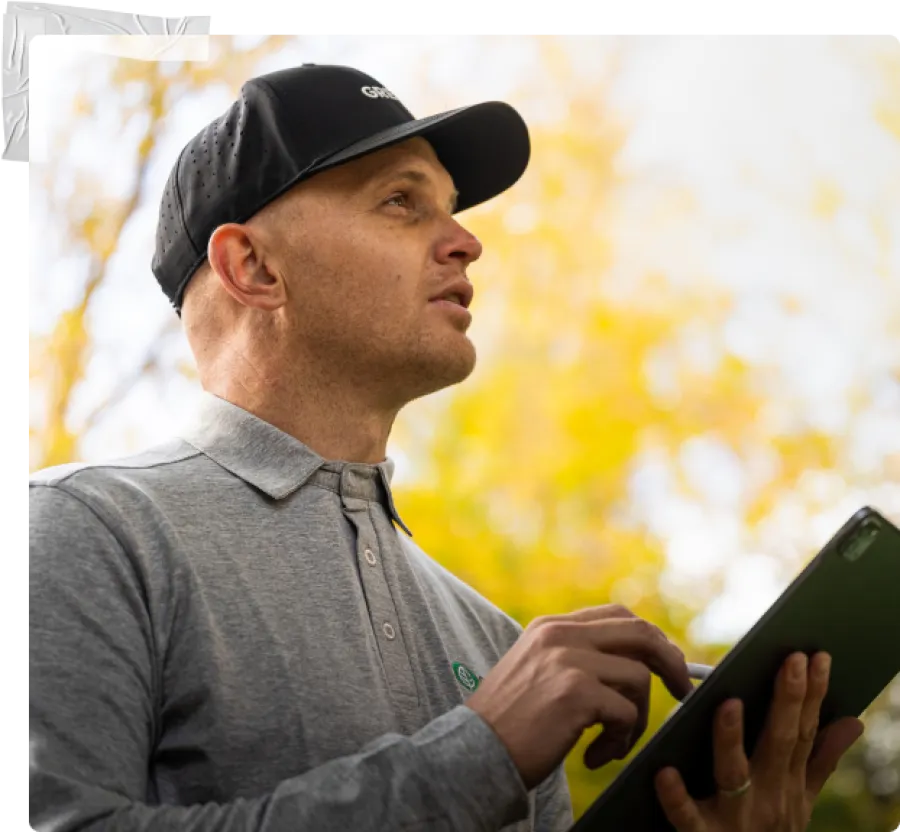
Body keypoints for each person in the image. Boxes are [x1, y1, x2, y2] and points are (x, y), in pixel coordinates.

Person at [24, 63, 864, 832]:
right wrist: (480, 757)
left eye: (452, 210)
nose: (466, 241)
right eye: (402, 201)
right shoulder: (83, 532)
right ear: (254, 268)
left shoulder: (494, 640)